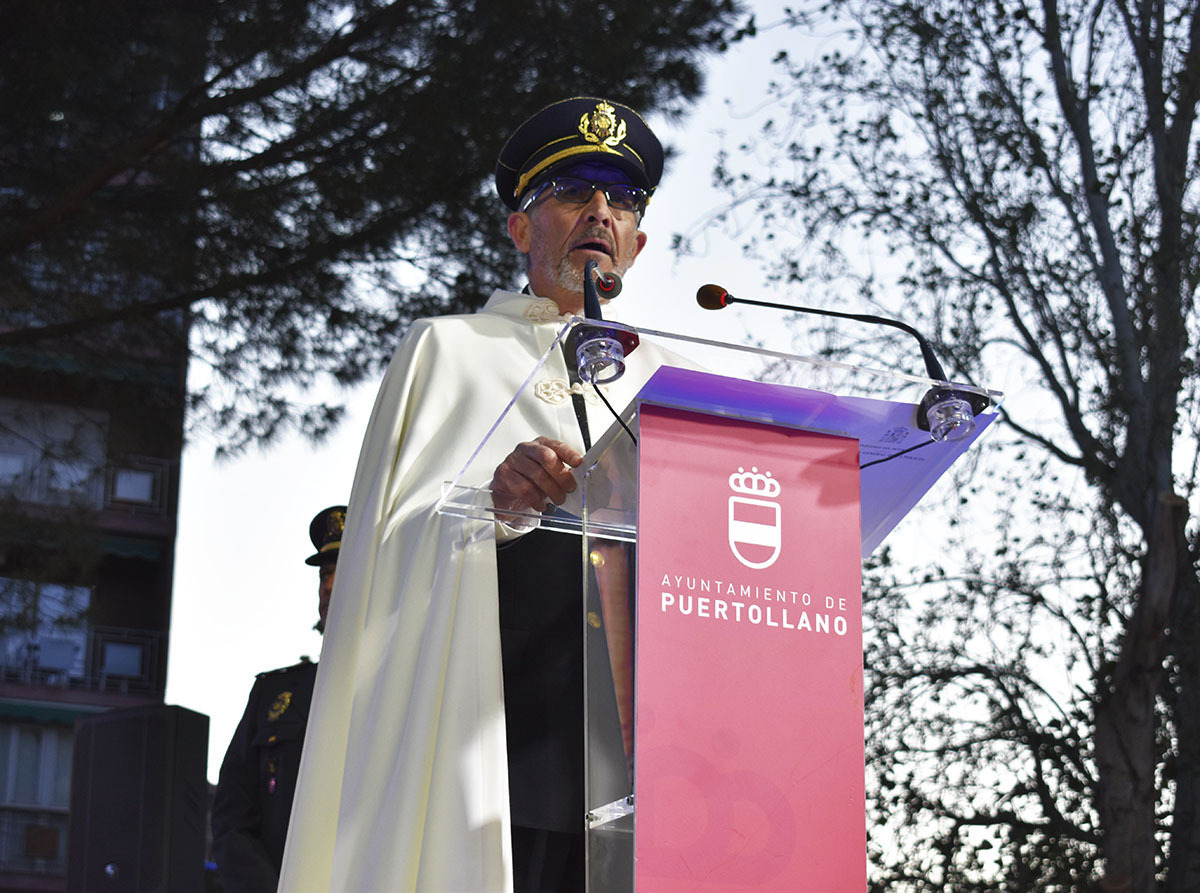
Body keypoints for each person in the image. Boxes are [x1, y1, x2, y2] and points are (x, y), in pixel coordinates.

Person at [279, 97, 683, 892]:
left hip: (660, 766)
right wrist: (492, 509)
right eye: (573, 191)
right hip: (502, 756)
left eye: (622, 200)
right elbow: (380, 561)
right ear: (520, 229)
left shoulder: (676, 380)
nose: (601, 212)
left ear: (637, 241)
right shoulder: (448, 351)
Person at [210, 505, 346, 893]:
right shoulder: (274, 693)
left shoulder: (403, 691)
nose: (330, 585)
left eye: (344, 570)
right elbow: (231, 819)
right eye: (324, 573)